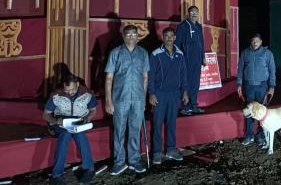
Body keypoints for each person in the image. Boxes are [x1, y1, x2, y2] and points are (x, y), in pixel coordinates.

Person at [105, 24, 149, 175]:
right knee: (119, 131)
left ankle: (134, 161)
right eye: (128, 35)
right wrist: (108, 100)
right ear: (123, 36)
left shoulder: (143, 53)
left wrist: (143, 99)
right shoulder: (115, 53)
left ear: (138, 37)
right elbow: (109, 78)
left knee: (135, 131)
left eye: (134, 34)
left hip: (137, 99)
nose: (131, 37)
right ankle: (119, 162)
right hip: (120, 99)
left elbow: (145, 77)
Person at [43, 74, 97, 185]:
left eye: (72, 90)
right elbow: (45, 115)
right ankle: (57, 175)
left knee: (80, 135)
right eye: (66, 90)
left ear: (77, 84)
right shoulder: (56, 95)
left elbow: (93, 110)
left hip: (79, 122)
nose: (69, 93)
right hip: (60, 123)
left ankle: (89, 169)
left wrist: (87, 118)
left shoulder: (87, 94)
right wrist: (57, 121)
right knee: (66, 135)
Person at [148, 27, 189, 164]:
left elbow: (184, 75)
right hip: (160, 94)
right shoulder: (155, 54)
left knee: (172, 123)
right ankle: (157, 152)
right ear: (163, 37)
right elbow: (151, 76)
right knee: (157, 123)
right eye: (166, 35)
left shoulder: (180, 54)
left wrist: (184, 91)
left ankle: (171, 149)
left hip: (174, 94)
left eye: (172, 36)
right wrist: (152, 93)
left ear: (175, 38)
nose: (169, 38)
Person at [237, 33, 276, 146]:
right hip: (249, 87)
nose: (255, 43)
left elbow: (272, 70)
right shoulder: (245, 53)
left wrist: (272, 86)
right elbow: (240, 70)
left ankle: (261, 136)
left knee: (262, 112)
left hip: (262, 86)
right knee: (249, 111)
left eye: (257, 41)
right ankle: (249, 136)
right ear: (251, 42)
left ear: (261, 42)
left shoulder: (267, 54)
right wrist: (239, 84)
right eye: (253, 41)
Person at [175, 5, 206, 115]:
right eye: (192, 12)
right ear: (188, 14)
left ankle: (194, 105)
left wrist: (203, 57)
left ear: (198, 14)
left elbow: (202, 43)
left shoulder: (199, 26)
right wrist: (178, 59)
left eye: (196, 12)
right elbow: (177, 44)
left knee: (195, 83)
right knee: (186, 83)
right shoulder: (183, 26)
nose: (194, 14)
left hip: (197, 60)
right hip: (186, 60)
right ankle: (185, 106)